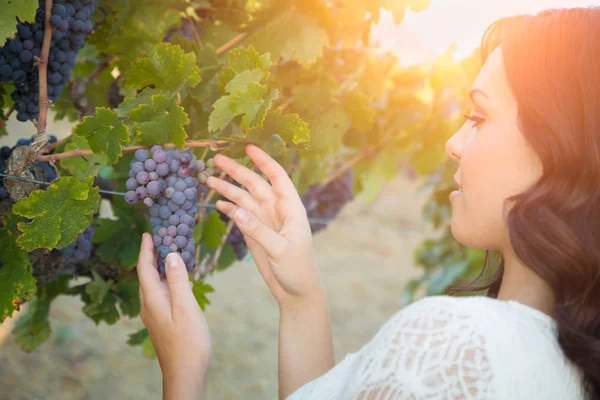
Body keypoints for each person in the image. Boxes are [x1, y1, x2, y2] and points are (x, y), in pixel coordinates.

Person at [135, 7, 600, 400]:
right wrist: (301, 299)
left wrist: (183, 373)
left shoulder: (458, 344)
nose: (454, 143)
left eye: (479, 116)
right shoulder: (574, 360)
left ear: (562, 146)